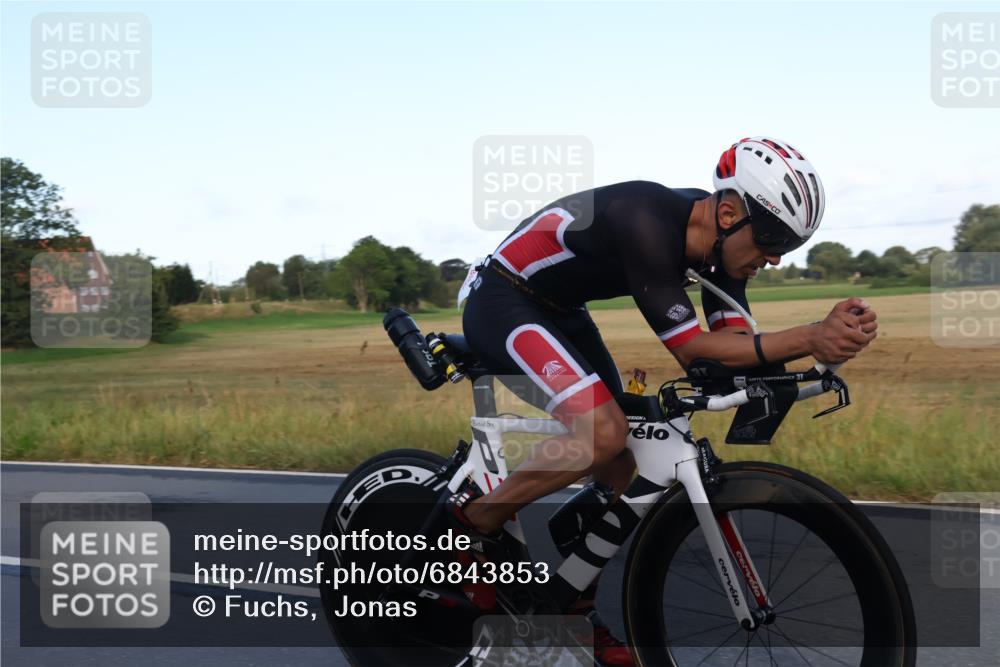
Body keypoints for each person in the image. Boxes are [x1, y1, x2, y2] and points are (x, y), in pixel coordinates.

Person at [451, 136, 878, 665]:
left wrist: (821, 354)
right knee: (602, 432)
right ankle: (471, 523)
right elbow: (693, 350)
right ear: (727, 212)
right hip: (503, 297)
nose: (773, 257)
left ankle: (569, 609)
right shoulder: (645, 220)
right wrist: (810, 334)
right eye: (771, 238)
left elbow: (729, 354)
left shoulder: (723, 250)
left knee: (620, 462)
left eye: (786, 246)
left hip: (562, 310)